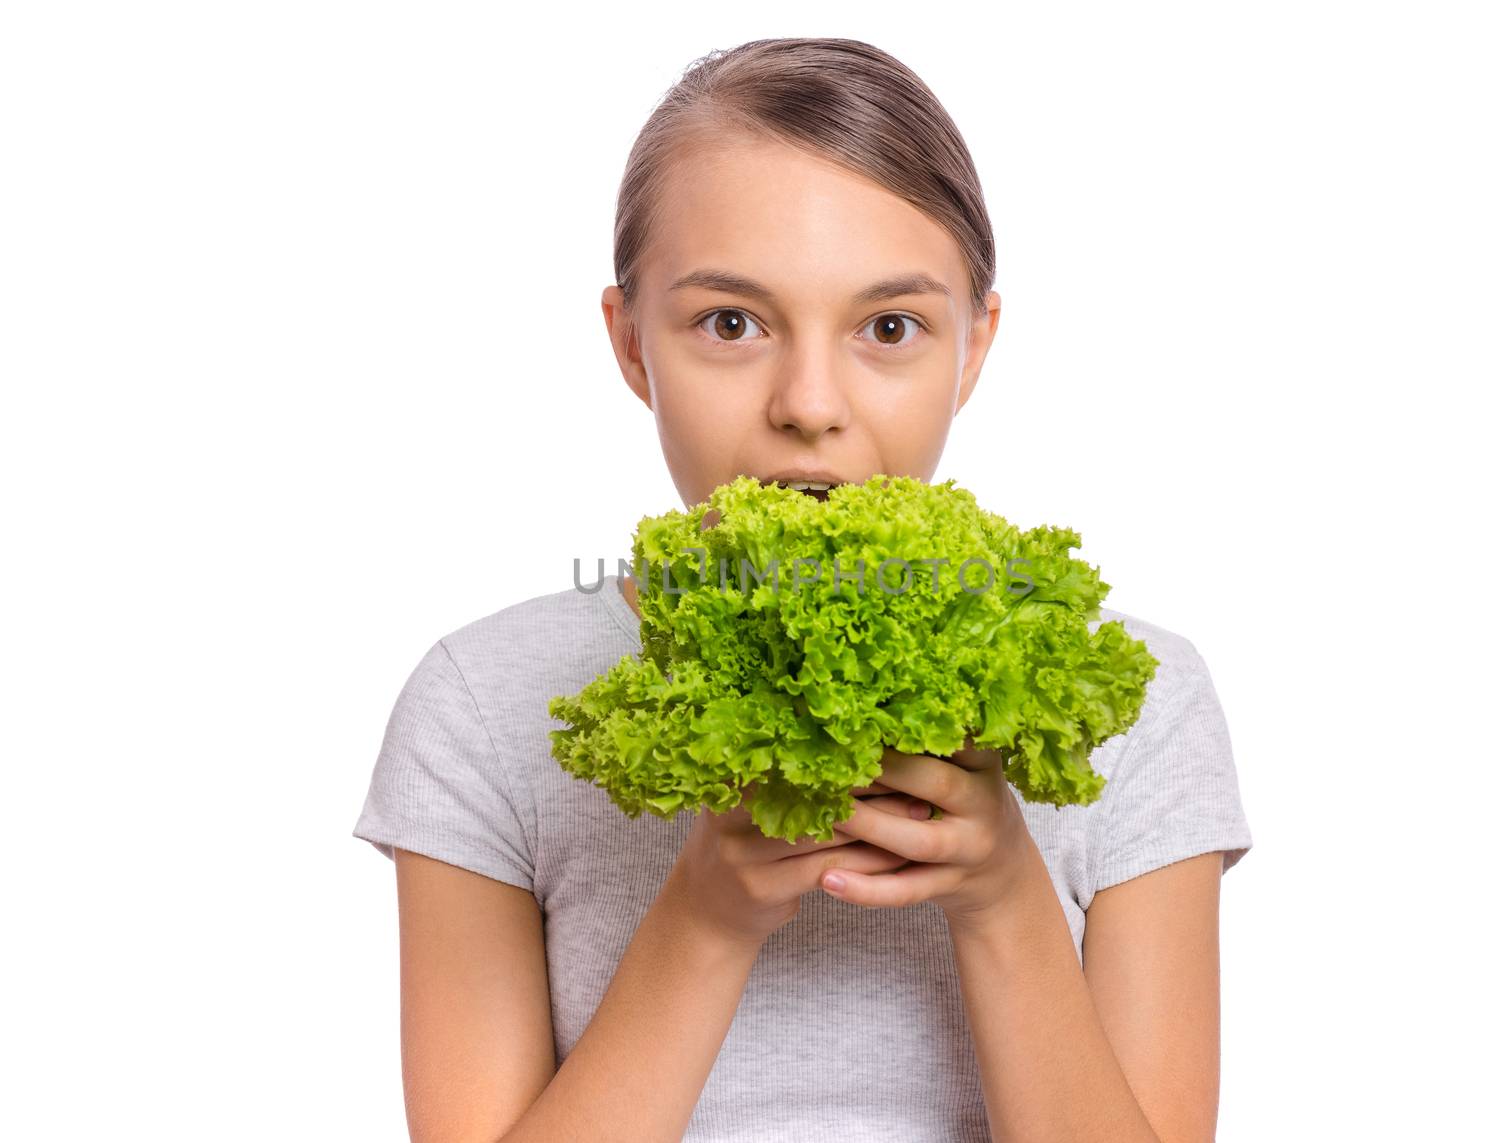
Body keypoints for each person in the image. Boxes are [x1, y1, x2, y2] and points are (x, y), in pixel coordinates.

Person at [352, 36, 1253, 1143]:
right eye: (730, 323)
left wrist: (1003, 894)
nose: (810, 404)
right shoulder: (486, 705)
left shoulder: (1134, 704)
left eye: (888, 328)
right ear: (632, 343)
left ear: (973, 347)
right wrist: (706, 920)